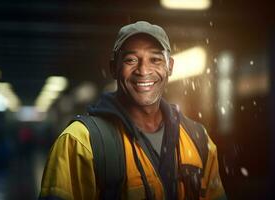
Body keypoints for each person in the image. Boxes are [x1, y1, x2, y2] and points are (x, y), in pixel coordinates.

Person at [39, 21, 227, 200]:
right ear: (114, 68)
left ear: (169, 67)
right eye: (131, 59)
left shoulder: (198, 139)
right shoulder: (80, 142)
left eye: (155, 59)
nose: (143, 70)